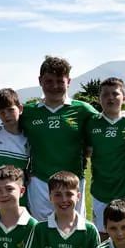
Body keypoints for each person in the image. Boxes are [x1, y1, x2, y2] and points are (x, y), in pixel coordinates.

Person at [19, 56, 99, 220]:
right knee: (42, 231)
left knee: (74, 231)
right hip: (39, 182)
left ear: (68, 81)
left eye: (59, 81)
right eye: (49, 81)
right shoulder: (27, 112)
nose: (54, 86)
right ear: (40, 81)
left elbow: (107, 125)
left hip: (74, 182)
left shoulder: (83, 110)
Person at [86, 77, 125, 236]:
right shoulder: (92, 123)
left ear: (124, 98)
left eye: (115, 94)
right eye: (105, 94)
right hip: (100, 193)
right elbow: (85, 151)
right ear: (99, 98)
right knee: (103, 236)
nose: (110, 98)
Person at [0, 88, 30, 174]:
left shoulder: (29, 137)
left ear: (20, 108)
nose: (6, 115)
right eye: (2, 112)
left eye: (10, 110)